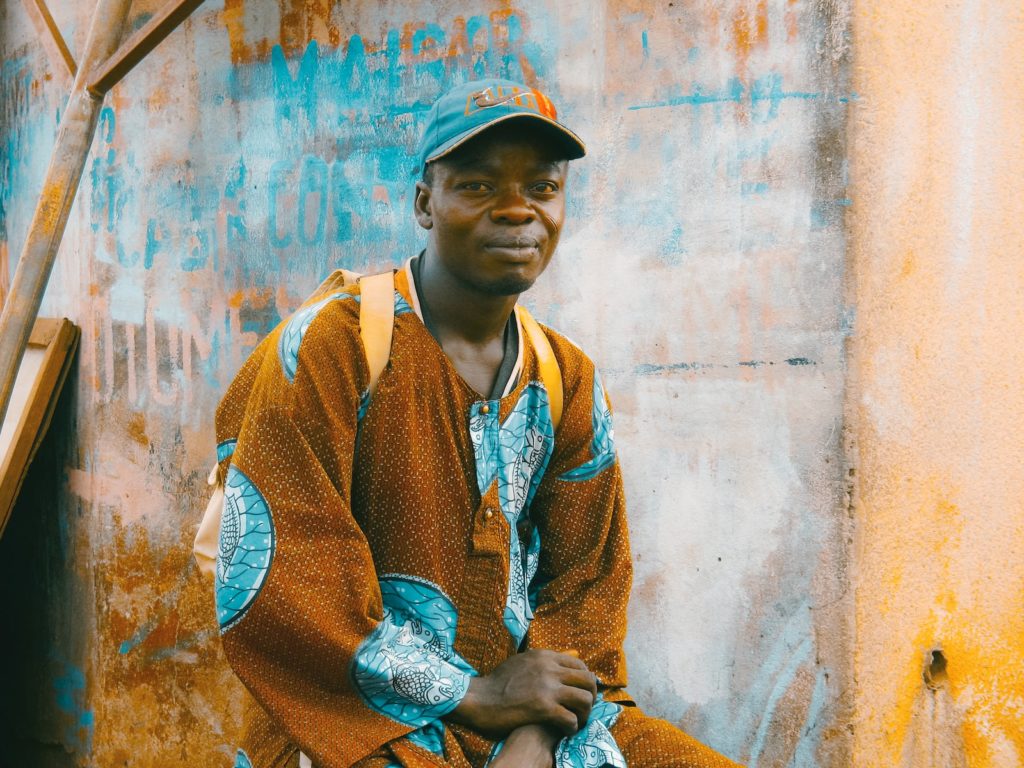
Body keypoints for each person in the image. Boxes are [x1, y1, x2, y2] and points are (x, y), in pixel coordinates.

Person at [210, 78, 741, 768]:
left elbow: (585, 591)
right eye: (480, 187)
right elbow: (289, 587)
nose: (517, 212)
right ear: (425, 203)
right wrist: (473, 695)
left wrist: (535, 730)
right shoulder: (333, 348)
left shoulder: (564, 377)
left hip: (528, 716)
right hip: (361, 719)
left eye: (543, 189)